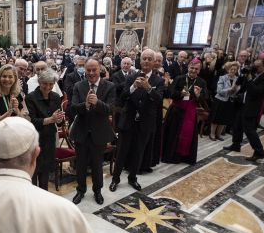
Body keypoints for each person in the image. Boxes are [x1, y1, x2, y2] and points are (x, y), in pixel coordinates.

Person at [111, 49, 164, 191]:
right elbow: (122, 97)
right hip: (128, 121)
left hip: (145, 123)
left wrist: (148, 88)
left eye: (149, 59)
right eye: (144, 58)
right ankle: (115, 179)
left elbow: (158, 100)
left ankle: (132, 178)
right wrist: (134, 87)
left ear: (154, 62)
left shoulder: (159, 80)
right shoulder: (130, 77)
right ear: (140, 61)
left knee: (138, 152)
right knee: (121, 152)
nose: (146, 61)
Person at [69, 58, 116, 205]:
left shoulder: (109, 86)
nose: (90, 73)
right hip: (81, 132)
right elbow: (73, 108)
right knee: (81, 165)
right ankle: (80, 190)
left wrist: (97, 103)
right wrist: (86, 105)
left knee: (97, 165)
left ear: (99, 69)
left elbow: (111, 109)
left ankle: (97, 191)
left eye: (93, 70)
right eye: (88, 70)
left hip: (99, 133)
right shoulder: (78, 85)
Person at [225, 59, 264, 161]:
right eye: (254, 66)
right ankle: (236, 145)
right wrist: (244, 75)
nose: (255, 68)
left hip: (251, 107)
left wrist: (250, 79)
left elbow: (256, 92)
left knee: (250, 131)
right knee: (237, 126)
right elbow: (240, 84)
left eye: (257, 66)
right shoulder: (254, 74)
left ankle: (259, 152)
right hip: (242, 104)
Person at [162, 58, 208, 165]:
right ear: (188, 67)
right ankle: (171, 156)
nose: (193, 70)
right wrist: (181, 94)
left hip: (190, 112)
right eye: (192, 68)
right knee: (173, 133)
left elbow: (205, 97)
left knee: (187, 134)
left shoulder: (201, 82)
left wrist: (198, 95)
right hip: (176, 110)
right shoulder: (179, 78)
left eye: (196, 69)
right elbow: (170, 93)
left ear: (199, 70)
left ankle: (184, 157)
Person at [25, 69, 65, 190]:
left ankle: (43, 197)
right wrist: (50, 119)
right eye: (45, 83)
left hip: (49, 139)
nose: (48, 87)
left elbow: (60, 121)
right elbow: (31, 121)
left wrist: (59, 120)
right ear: (39, 82)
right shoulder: (31, 97)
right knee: (34, 172)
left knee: (45, 173)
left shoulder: (56, 97)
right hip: (35, 139)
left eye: (51, 84)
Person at [0, 64, 29, 130]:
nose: (7, 79)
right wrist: (9, 112)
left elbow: (26, 119)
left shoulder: (18, 94)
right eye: (4, 76)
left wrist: (17, 111)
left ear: (15, 79)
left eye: (10, 77)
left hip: (17, 133)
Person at [211, 61, 239, 140]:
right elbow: (219, 91)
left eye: (235, 69)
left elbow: (238, 91)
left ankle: (218, 134)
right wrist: (230, 89)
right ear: (228, 69)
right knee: (216, 118)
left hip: (230, 101)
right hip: (220, 100)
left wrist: (236, 90)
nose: (233, 71)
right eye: (231, 69)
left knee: (224, 119)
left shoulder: (237, 79)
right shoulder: (222, 77)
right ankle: (212, 134)